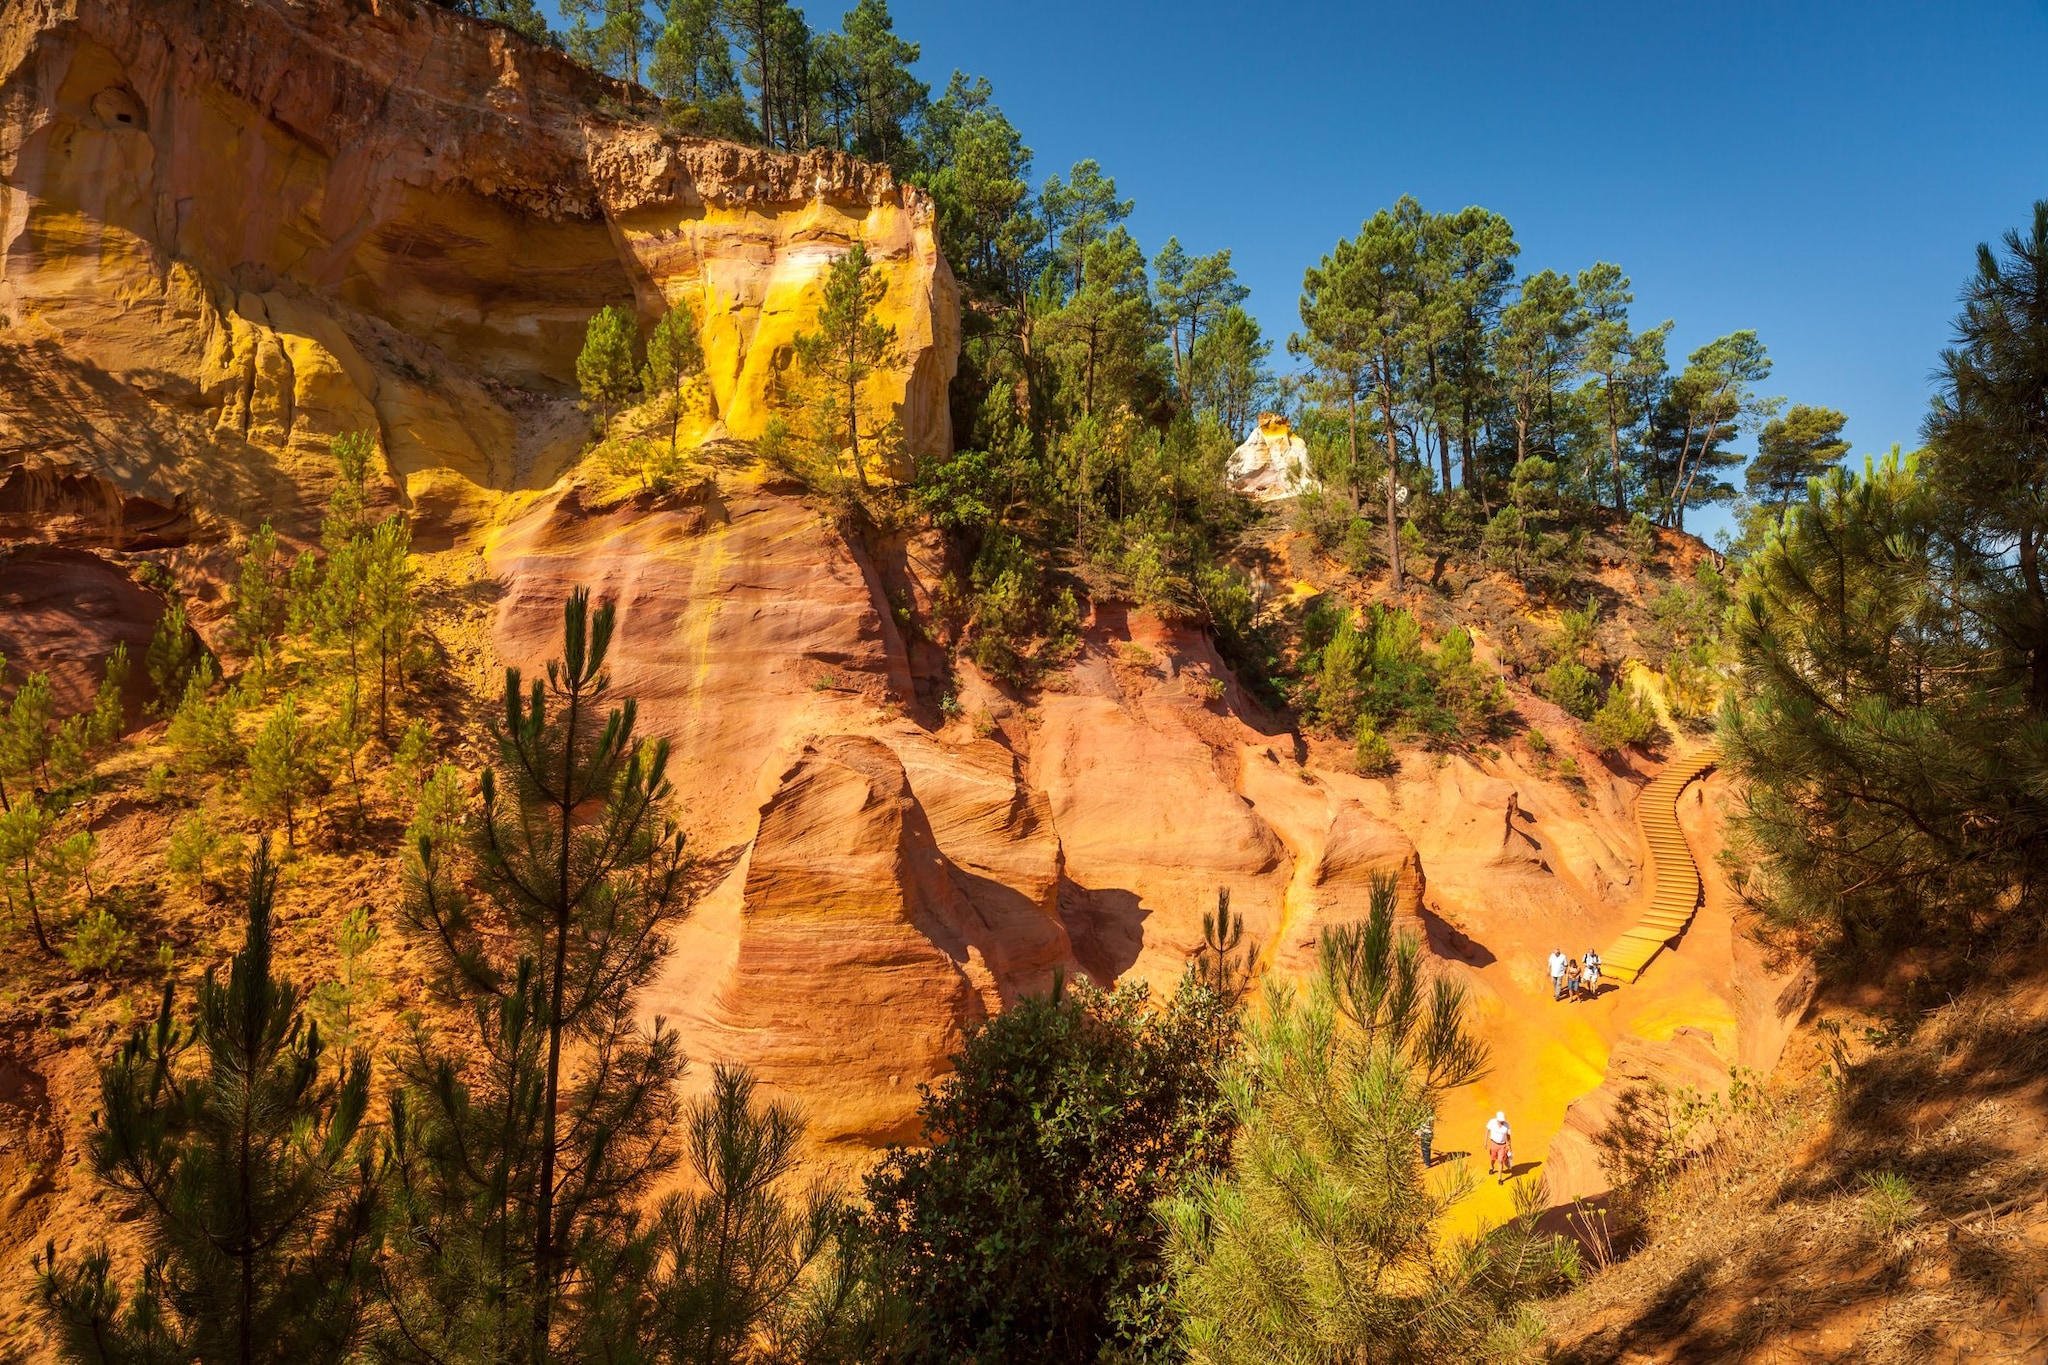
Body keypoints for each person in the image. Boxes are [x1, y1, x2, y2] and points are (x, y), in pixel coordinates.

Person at [1485, 1111, 1512, 1180]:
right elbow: (1487, 1130)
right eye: (1500, 1120)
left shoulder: (1506, 1125)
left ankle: (1499, 1179)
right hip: (1493, 1144)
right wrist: (1485, 1142)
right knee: (1492, 1158)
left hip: (1502, 1146)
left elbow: (1508, 1136)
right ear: (1497, 1119)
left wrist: (1509, 1145)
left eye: (1502, 1120)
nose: (1501, 1122)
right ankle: (1491, 1167)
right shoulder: (1492, 1122)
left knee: (1500, 1161)